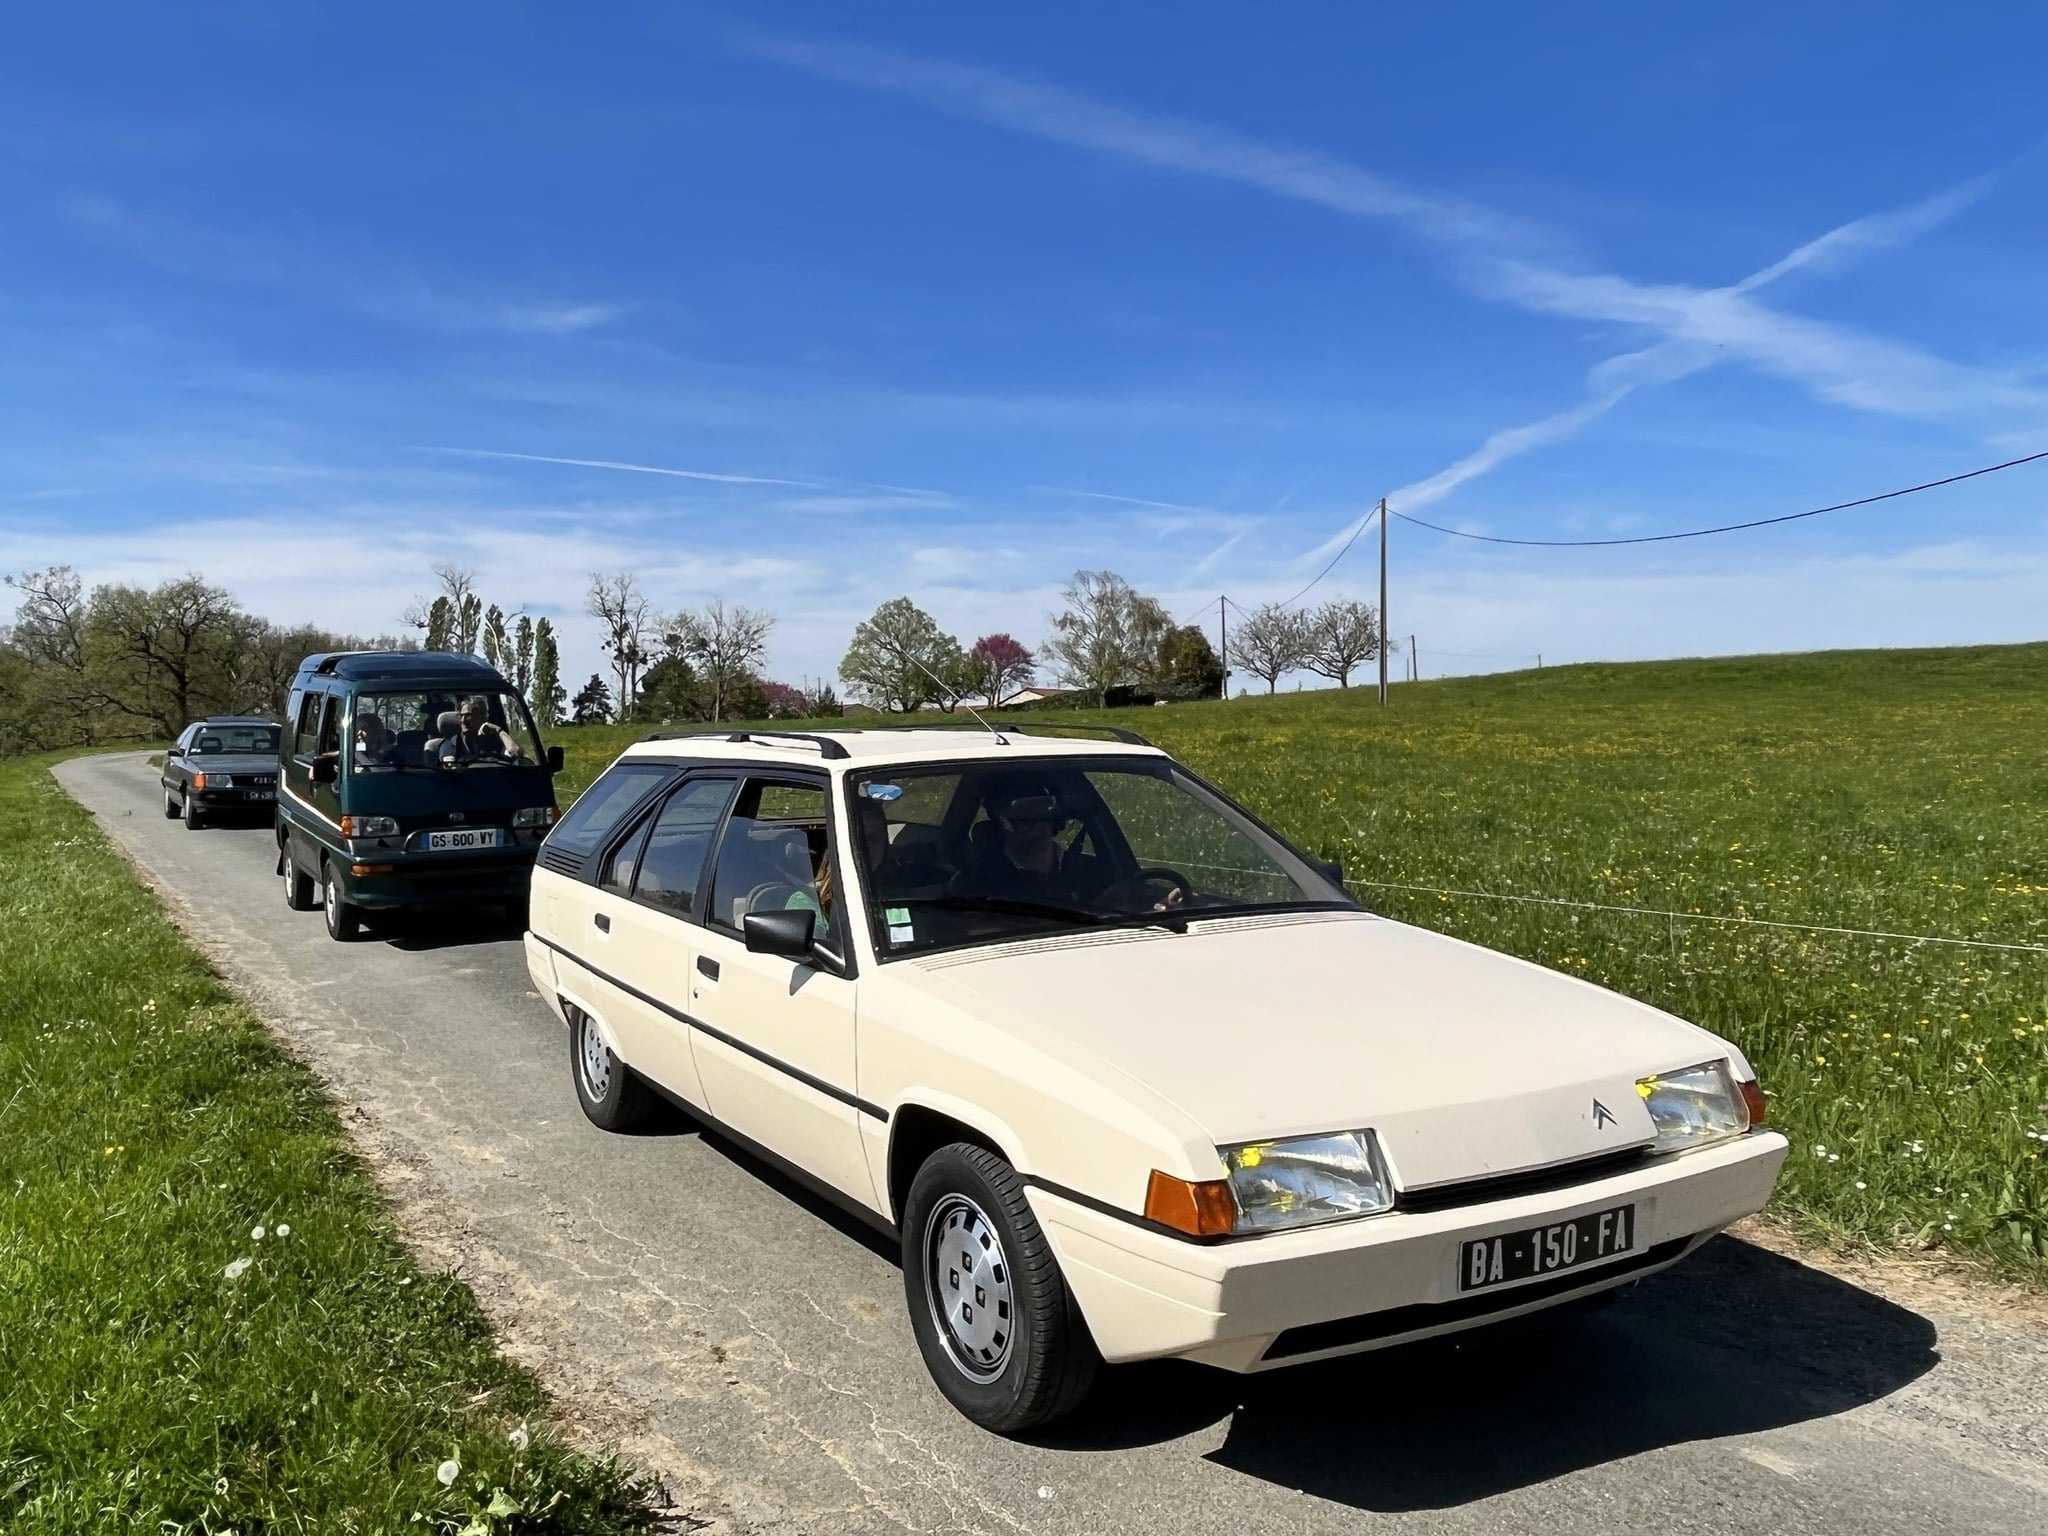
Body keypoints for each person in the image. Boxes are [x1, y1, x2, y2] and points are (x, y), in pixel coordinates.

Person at [441, 695, 523, 762]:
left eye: (469, 715)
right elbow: (450, 767)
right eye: (461, 716)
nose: (463, 720)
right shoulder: (452, 743)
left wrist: (499, 731)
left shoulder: (495, 741)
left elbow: (515, 754)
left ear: (482, 717)